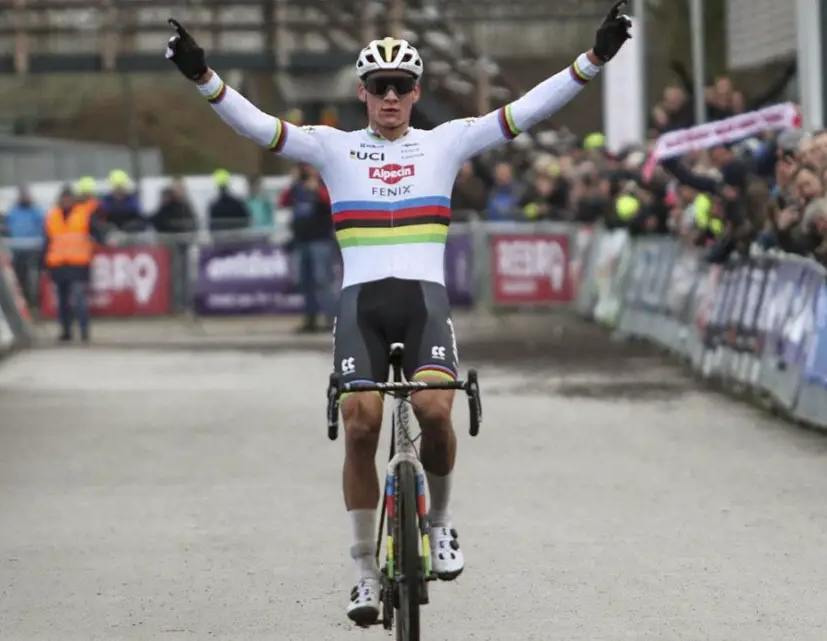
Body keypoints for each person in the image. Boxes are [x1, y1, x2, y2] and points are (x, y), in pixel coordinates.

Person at [165, 1, 632, 624]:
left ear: (417, 93)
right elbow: (259, 127)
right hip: (362, 303)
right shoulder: (332, 147)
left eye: (402, 87)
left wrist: (594, 59)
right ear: (363, 93)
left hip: (423, 302)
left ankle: (438, 525)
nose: (391, 97)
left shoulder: (448, 140)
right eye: (380, 87)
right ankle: (362, 569)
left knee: (437, 411)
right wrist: (204, 77)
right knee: (360, 424)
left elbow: (527, 110)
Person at [41, 186, 109, 342]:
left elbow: (98, 231)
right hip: (58, 264)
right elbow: (47, 242)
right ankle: (66, 331)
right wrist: (43, 264)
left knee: (78, 298)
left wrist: (103, 241)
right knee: (62, 301)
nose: (65, 201)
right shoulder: (52, 216)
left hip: (78, 263)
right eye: (63, 199)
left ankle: (84, 331)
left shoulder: (84, 215)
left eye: (68, 198)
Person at [278, 164, 336, 332]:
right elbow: (282, 201)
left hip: (320, 240)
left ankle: (330, 318)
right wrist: (292, 183)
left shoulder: (324, 185)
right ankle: (310, 319)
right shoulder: (296, 187)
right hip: (301, 240)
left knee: (323, 280)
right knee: (305, 281)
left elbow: (330, 202)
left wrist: (316, 188)